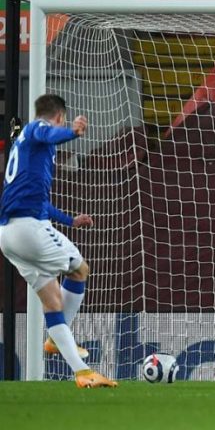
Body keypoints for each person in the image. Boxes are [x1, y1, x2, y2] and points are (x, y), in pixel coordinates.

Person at [0, 94, 117, 388]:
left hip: (9, 236)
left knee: (53, 303)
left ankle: (82, 373)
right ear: (61, 117)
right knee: (80, 270)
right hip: (29, 230)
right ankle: (55, 338)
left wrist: (69, 220)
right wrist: (72, 133)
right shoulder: (37, 130)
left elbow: (40, 201)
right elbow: (45, 130)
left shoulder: (26, 148)